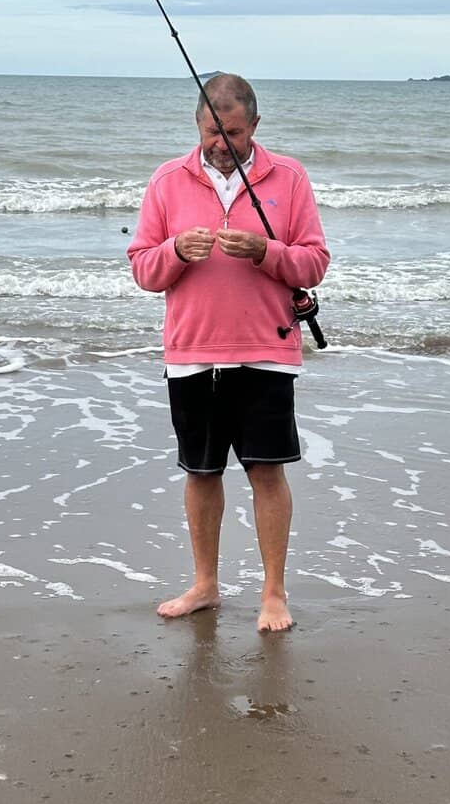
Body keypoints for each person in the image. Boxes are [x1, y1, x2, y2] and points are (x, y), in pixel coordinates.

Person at [127, 74, 330, 632]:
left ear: (254, 126)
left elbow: (314, 261)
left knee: (267, 471)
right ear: (197, 125)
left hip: (266, 348)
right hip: (192, 350)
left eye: (234, 133)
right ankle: (205, 585)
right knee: (201, 472)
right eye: (212, 132)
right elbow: (143, 268)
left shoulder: (289, 177)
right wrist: (175, 250)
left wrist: (267, 250)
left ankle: (273, 594)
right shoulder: (167, 180)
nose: (222, 144)